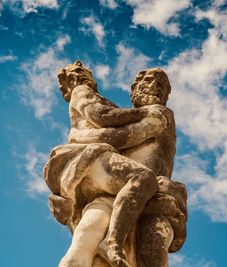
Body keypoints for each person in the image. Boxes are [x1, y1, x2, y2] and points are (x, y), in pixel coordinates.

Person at [69, 67, 187, 267]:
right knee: (91, 239)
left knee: (153, 251)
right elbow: (108, 122)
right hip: (122, 189)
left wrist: (78, 136)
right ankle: (112, 243)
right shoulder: (139, 116)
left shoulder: (160, 114)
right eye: (149, 81)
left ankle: (112, 243)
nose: (155, 88)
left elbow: (115, 131)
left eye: (161, 86)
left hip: (156, 194)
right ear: (135, 89)